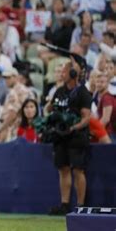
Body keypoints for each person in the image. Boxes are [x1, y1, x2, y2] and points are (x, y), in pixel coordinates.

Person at [48, 59, 91, 215]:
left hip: (76, 136)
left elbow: (86, 117)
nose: (61, 74)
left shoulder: (83, 92)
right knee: (63, 169)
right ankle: (64, 204)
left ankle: (80, 206)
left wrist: (73, 127)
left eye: (64, 72)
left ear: (73, 74)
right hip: (60, 136)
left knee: (78, 170)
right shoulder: (59, 91)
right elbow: (50, 108)